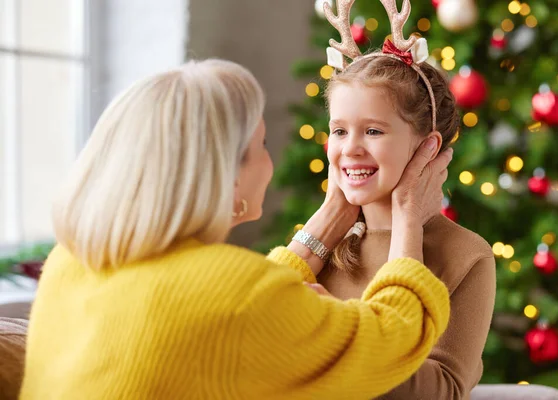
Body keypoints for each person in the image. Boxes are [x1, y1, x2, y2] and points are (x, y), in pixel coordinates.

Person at [20, 58, 453, 399]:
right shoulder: (238, 294)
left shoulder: (69, 261)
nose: (270, 160)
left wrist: (332, 216)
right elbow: (394, 335)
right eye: (261, 145)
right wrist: (408, 209)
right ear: (223, 176)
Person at [316, 0, 496, 399]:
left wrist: (332, 338)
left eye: (374, 131)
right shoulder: (320, 244)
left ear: (426, 147)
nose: (350, 150)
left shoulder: (466, 255)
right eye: (340, 131)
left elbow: (442, 391)